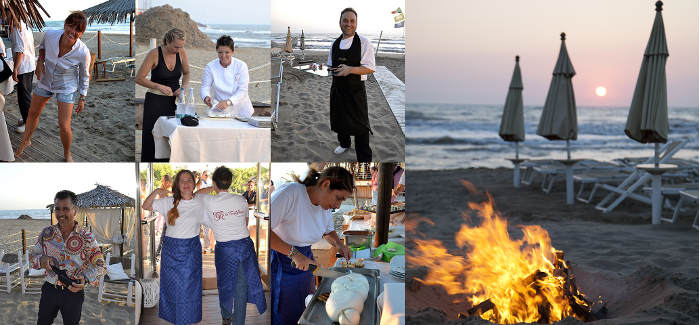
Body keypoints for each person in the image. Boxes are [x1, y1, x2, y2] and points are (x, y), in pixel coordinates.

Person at [270, 166, 353, 325]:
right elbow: (265, 230)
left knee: (307, 305)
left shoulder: (325, 207)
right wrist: (294, 254)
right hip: (282, 260)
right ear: (325, 185)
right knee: (285, 312)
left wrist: (339, 245)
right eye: (338, 198)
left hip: (306, 259)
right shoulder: (291, 193)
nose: (338, 206)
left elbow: (328, 232)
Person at [15, 12, 91, 162]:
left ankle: (67, 153)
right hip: (46, 80)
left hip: (66, 86)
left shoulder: (83, 52)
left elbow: (84, 75)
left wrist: (82, 97)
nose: (73, 32)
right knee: (32, 113)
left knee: (63, 125)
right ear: (65, 24)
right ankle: (26, 140)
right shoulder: (50, 35)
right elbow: (42, 48)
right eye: (71, 26)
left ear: (81, 33)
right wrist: (39, 63)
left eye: (78, 30)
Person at [196, 166, 266, 325]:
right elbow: (245, 223)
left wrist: (211, 188)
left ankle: (226, 317)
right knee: (241, 287)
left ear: (214, 182)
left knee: (225, 284)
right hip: (245, 247)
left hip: (225, 250)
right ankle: (238, 322)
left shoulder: (209, 200)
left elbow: (195, 195)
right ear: (230, 182)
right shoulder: (241, 200)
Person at [29, 190, 106, 325]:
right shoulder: (46, 233)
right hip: (49, 289)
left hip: (73, 292)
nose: (61, 213)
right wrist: (40, 260)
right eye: (57, 209)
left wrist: (86, 280)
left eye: (66, 209)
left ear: (75, 210)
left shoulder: (86, 237)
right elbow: (32, 256)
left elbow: (100, 265)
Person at [143, 170, 203, 325]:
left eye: (189, 180)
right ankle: (175, 320)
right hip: (171, 251)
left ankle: (188, 320)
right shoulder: (168, 201)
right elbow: (146, 205)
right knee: (173, 288)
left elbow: (213, 191)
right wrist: (157, 191)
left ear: (194, 183)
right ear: (177, 184)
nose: (186, 184)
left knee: (189, 289)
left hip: (191, 251)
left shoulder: (201, 201)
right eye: (182, 181)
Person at [328, 7, 376, 162]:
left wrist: (350, 70)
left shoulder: (363, 42)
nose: (348, 24)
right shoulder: (334, 44)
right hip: (338, 91)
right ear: (340, 22)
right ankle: (344, 144)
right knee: (340, 121)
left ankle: (363, 157)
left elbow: (370, 68)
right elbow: (331, 68)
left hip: (356, 93)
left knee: (361, 127)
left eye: (352, 21)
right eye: (345, 20)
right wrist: (318, 68)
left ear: (356, 23)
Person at [136, 28, 190, 162]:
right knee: (152, 140)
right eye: (176, 46)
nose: (178, 49)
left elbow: (187, 73)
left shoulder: (181, 52)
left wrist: (182, 89)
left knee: (170, 140)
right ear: (167, 41)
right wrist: (158, 86)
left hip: (174, 103)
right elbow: (139, 78)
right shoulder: (154, 53)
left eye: (181, 46)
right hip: (155, 102)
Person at [201, 35, 254, 119]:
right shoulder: (210, 66)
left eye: (227, 52)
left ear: (233, 52)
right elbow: (205, 86)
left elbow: (243, 90)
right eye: (220, 52)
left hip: (241, 109)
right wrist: (206, 97)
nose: (223, 56)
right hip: (220, 109)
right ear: (217, 51)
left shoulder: (241, 66)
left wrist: (229, 102)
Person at [9, 15, 36, 134]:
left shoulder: (18, 27)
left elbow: (20, 51)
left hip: (24, 66)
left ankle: (28, 123)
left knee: (24, 97)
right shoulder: (25, 25)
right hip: (29, 65)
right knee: (25, 95)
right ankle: (27, 118)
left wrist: (15, 68)